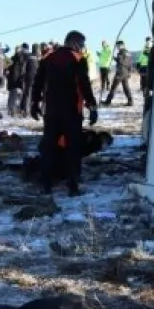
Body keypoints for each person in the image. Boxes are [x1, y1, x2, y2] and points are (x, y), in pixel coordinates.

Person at [31, 30, 99, 195]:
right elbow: (84, 84)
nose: (83, 48)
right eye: (82, 45)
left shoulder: (48, 58)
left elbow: (37, 82)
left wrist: (34, 102)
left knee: (49, 145)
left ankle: (46, 183)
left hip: (52, 110)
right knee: (73, 148)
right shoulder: (78, 60)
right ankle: (72, 185)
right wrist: (92, 105)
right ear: (74, 43)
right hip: (71, 111)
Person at [103, 41, 134, 106]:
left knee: (113, 87)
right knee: (126, 88)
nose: (117, 48)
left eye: (117, 46)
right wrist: (129, 73)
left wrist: (114, 57)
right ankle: (131, 101)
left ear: (121, 45)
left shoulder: (121, 52)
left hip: (120, 73)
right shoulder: (128, 53)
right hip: (126, 73)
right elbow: (130, 63)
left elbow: (120, 61)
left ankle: (108, 102)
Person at [6, 44, 28, 117]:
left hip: (15, 80)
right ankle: (13, 111)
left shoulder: (15, 58)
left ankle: (13, 111)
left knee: (14, 97)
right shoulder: (20, 58)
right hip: (17, 80)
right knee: (16, 96)